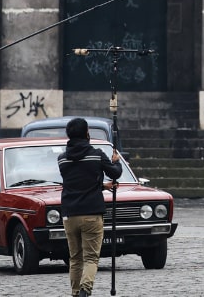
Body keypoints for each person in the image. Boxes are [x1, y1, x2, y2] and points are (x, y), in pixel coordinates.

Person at [57, 117, 123, 297]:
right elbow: (115, 173)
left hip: (70, 214)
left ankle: (75, 292)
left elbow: (78, 183)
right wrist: (116, 161)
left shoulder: (62, 160)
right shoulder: (97, 155)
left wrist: (102, 186)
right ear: (87, 133)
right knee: (91, 257)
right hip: (92, 213)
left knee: (75, 258)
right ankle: (86, 288)